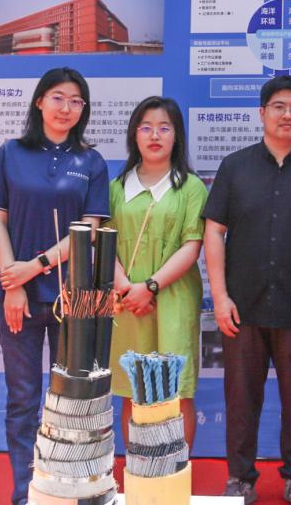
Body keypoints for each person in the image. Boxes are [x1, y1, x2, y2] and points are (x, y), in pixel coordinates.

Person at [204, 76, 291, 505]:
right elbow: (214, 231)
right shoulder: (235, 166)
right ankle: (240, 479)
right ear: (262, 113)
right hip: (242, 306)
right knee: (240, 397)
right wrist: (220, 296)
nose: (288, 115)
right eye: (279, 106)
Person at [0, 67, 109, 505]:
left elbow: (88, 232)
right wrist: (13, 282)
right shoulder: (11, 153)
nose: (66, 108)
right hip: (19, 298)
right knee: (23, 398)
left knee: (70, 401)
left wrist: (34, 267)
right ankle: (25, 493)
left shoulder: (92, 162)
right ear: (39, 102)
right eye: (57, 98)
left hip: (72, 299)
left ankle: (66, 490)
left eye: (76, 101)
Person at [108, 96, 207, 447]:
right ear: (134, 134)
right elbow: (104, 242)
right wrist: (125, 287)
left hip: (173, 299)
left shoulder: (191, 187)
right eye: (146, 127)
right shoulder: (117, 188)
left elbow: (192, 246)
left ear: (177, 136)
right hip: (126, 301)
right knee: (132, 389)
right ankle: (137, 469)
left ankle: (178, 469)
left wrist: (149, 286)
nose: (155, 135)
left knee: (177, 391)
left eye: (164, 128)